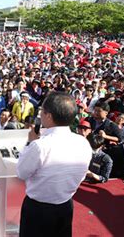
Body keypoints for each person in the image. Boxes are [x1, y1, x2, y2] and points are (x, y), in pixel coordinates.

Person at [17, 91, 92, 237]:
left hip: (37, 209)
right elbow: (81, 175)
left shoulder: (39, 146)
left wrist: (30, 143)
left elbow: (21, 173)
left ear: (49, 116)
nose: (40, 115)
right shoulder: (83, 142)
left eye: (42, 112)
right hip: (65, 205)